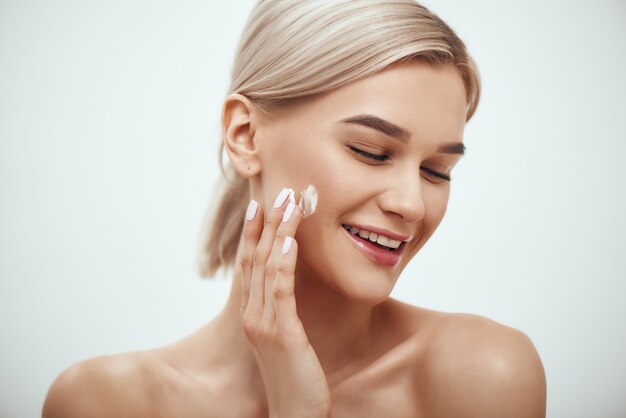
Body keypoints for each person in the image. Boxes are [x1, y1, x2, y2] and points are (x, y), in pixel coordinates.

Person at [42, 0, 547, 416]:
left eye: (437, 171)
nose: (412, 204)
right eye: (370, 151)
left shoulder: (481, 376)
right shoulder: (103, 402)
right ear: (245, 135)